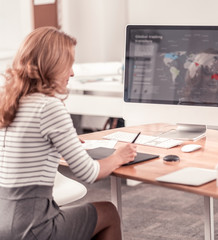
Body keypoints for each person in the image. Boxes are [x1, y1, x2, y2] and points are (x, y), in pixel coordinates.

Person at [0, 27, 137, 240]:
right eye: (68, 64)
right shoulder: (49, 107)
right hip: (32, 228)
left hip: (4, 223)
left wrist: (66, 143)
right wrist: (119, 156)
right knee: (108, 212)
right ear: (51, 65)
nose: (72, 73)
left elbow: (28, 150)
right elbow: (89, 173)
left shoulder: (9, 103)